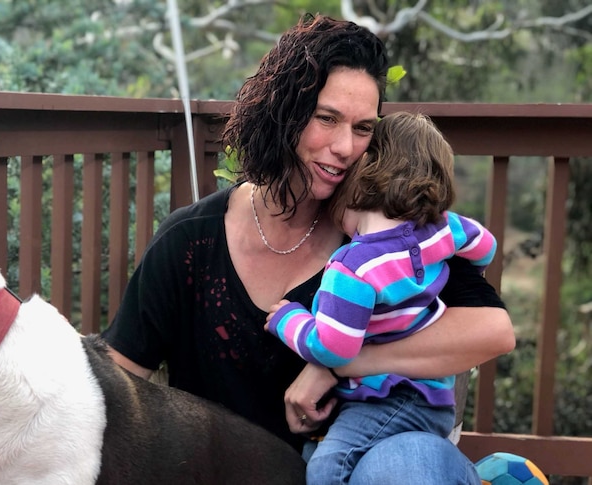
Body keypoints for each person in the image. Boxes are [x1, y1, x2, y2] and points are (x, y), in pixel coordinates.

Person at [101, 13, 515, 484]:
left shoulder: (385, 234)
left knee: (398, 466)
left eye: (363, 128)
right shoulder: (191, 241)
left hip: (379, 463)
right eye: (326, 118)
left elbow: (492, 331)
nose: (344, 146)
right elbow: (116, 385)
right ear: (283, 112)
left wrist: (339, 363)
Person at [264, 111, 498, 484]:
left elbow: (335, 349)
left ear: (362, 175)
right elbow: (485, 246)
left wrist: (288, 320)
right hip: (434, 398)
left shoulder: (353, 266)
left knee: (326, 467)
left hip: (390, 399)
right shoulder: (439, 229)